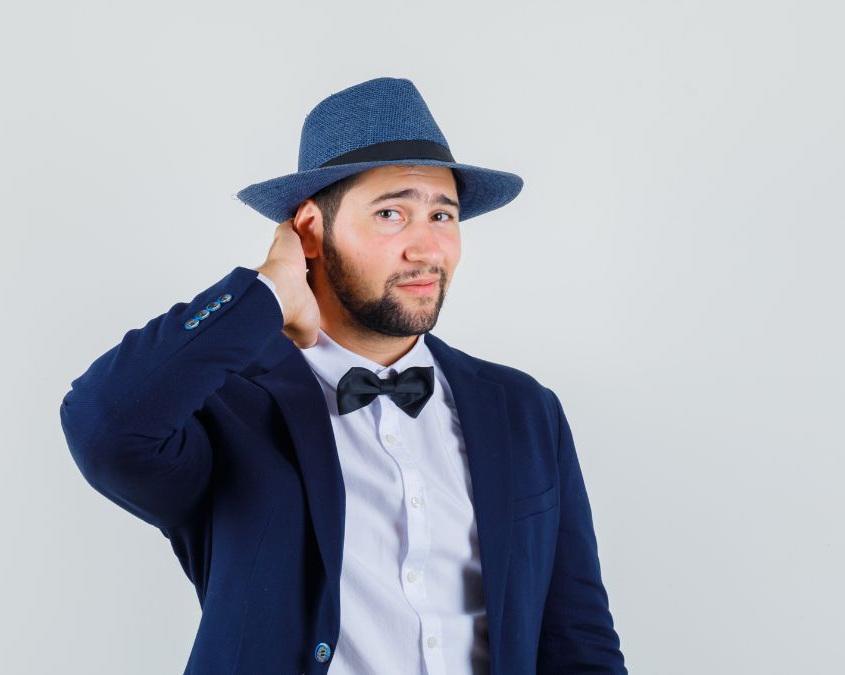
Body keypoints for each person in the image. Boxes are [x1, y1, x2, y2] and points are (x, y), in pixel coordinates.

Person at [59, 76, 628, 675]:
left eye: (442, 214)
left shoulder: (523, 409)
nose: (427, 248)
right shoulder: (225, 407)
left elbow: (577, 636)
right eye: (391, 213)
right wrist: (265, 294)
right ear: (309, 230)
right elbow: (104, 424)